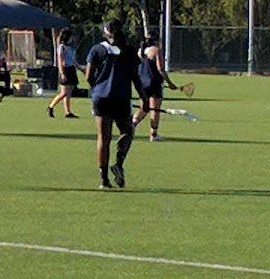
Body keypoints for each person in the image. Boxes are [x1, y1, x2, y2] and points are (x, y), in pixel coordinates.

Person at [85, 18, 143, 190]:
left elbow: (89, 76)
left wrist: (97, 88)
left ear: (106, 31)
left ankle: (104, 179)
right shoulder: (129, 51)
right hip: (121, 98)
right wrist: (145, 99)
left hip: (101, 99)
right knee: (127, 131)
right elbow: (135, 78)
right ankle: (118, 163)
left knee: (103, 138)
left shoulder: (97, 50)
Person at [132, 34, 178, 141]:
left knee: (144, 107)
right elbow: (160, 69)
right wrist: (170, 83)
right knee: (155, 109)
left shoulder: (140, 51)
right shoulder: (156, 50)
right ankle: (154, 134)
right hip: (154, 83)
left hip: (142, 83)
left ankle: (132, 125)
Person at [47, 28, 83, 118]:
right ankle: (51, 106)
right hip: (65, 70)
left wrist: (81, 68)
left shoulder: (70, 48)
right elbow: (60, 60)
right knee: (63, 93)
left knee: (69, 93)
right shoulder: (61, 47)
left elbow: (73, 60)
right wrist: (62, 73)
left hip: (71, 69)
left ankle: (67, 112)